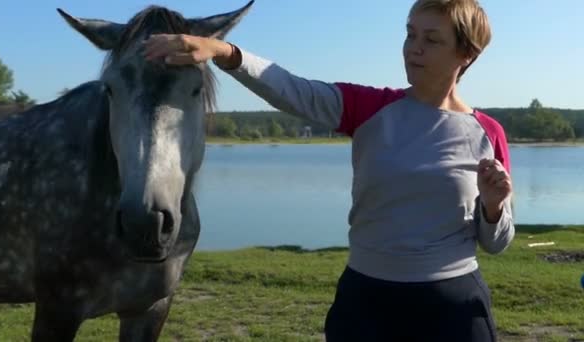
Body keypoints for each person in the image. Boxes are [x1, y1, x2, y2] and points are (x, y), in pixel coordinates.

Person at [144, 0, 514, 340]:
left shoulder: (487, 133)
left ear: (466, 54)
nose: (413, 48)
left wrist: (493, 207)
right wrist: (224, 51)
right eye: (410, 34)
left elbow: (496, 242)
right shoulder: (368, 108)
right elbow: (291, 89)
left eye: (431, 39)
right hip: (367, 300)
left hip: (452, 308)